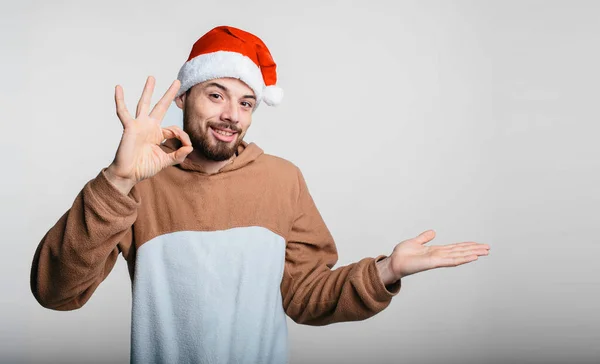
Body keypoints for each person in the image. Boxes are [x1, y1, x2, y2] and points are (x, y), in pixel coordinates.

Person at [30, 25, 490, 364]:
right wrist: (117, 180)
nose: (232, 114)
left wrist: (386, 270)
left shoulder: (282, 180)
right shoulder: (137, 185)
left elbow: (306, 295)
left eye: (246, 102)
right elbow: (56, 291)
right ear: (184, 98)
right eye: (216, 95)